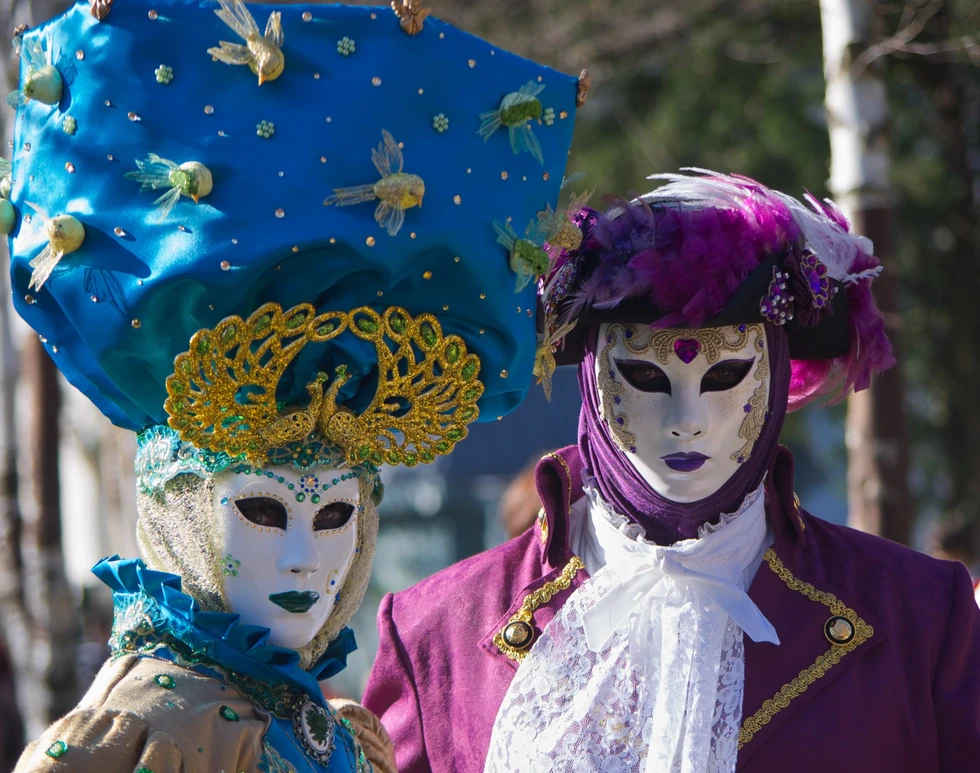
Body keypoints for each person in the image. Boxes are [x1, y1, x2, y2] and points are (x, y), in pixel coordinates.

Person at [5, 1, 581, 770]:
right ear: (182, 507)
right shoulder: (135, 738)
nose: (307, 560)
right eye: (264, 509)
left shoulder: (337, 732)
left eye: (337, 512)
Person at [363, 171, 980, 771]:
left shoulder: (922, 619)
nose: (687, 422)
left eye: (726, 374)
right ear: (591, 375)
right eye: (645, 376)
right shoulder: (435, 635)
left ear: (774, 376)